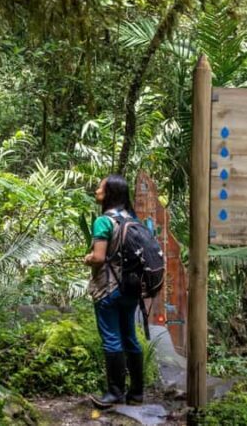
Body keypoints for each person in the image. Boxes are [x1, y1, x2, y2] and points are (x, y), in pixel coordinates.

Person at [83, 174, 143, 409]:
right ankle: (136, 394)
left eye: (100, 187)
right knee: (130, 336)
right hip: (131, 288)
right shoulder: (132, 219)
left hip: (108, 288)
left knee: (111, 338)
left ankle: (114, 393)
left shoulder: (104, 222)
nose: (97, 190)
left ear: (110, 193)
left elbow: (99, 257)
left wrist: (88, 258)